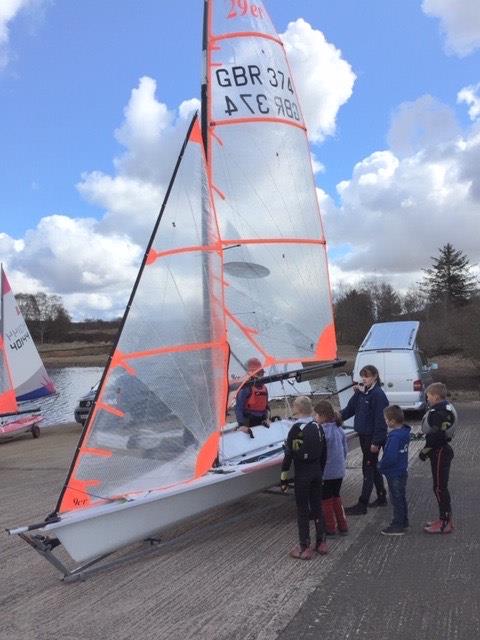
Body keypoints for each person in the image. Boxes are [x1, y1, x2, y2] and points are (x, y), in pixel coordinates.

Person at [280, 396, 328, 559]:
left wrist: (284, 478)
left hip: (302, 473)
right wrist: (320, 472)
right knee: (317, 507)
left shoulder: (295, 429)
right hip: (316, 471)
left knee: (302, 510)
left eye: (294, 406)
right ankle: (321, 542)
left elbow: (289, 455)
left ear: (298, 409)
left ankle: (304, 547)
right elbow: (324, 452)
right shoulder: (318, 427)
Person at [341, 364, 389, 515]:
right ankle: (381, 496)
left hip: (372, 438)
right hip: (363, 435)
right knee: (373, 467)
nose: (364, 379)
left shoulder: (378, 395)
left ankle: (362, 504)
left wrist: (377, 441)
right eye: (362, 376)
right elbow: (349, 410)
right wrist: (332, 418)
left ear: (374, 377)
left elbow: (381, 421)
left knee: (367, 468)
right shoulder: (362, 393)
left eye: (367, 376)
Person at [419, 382, 457, 534]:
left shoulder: (438, 413)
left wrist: (425, 451)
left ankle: (445, 522)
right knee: (439, 487)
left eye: (428, 396)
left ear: (435, 397)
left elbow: (437, 436)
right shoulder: (446, 408)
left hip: (440, 451)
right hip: (441, 449)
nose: (427, 399)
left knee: (440, 488)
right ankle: (443, 518)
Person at [314, 400, 348, 536]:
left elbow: (318, 453)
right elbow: (345, 450)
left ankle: (330, 528)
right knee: (336, 497)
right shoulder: (339, 429)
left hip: (326, 473)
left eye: (316, 415)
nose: (315, 418)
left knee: (326, 500)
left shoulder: (322, 431)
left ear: (322, 416)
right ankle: (343, 525)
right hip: (339, 471)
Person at [378, 405, 411, 536]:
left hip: (394, 472)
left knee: (396, 498)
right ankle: (404, 521)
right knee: (401, 497)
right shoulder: (404, 433)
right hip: (402, 470)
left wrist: (380, 465)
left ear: (392, 421)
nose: (385, 422)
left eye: (386, 419)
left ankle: (398, 525)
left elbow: (390, 457)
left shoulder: (394, 437)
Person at [235, 357, 269, 437]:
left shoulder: (265, 388)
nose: (261, 375)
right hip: (248, 421)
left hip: (261, 420)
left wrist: (267, 418)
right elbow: (238, 408)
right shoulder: (246, 388)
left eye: (262, 373)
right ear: (251, 373)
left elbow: (266, 406)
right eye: (258, 373)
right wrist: (242, 424)